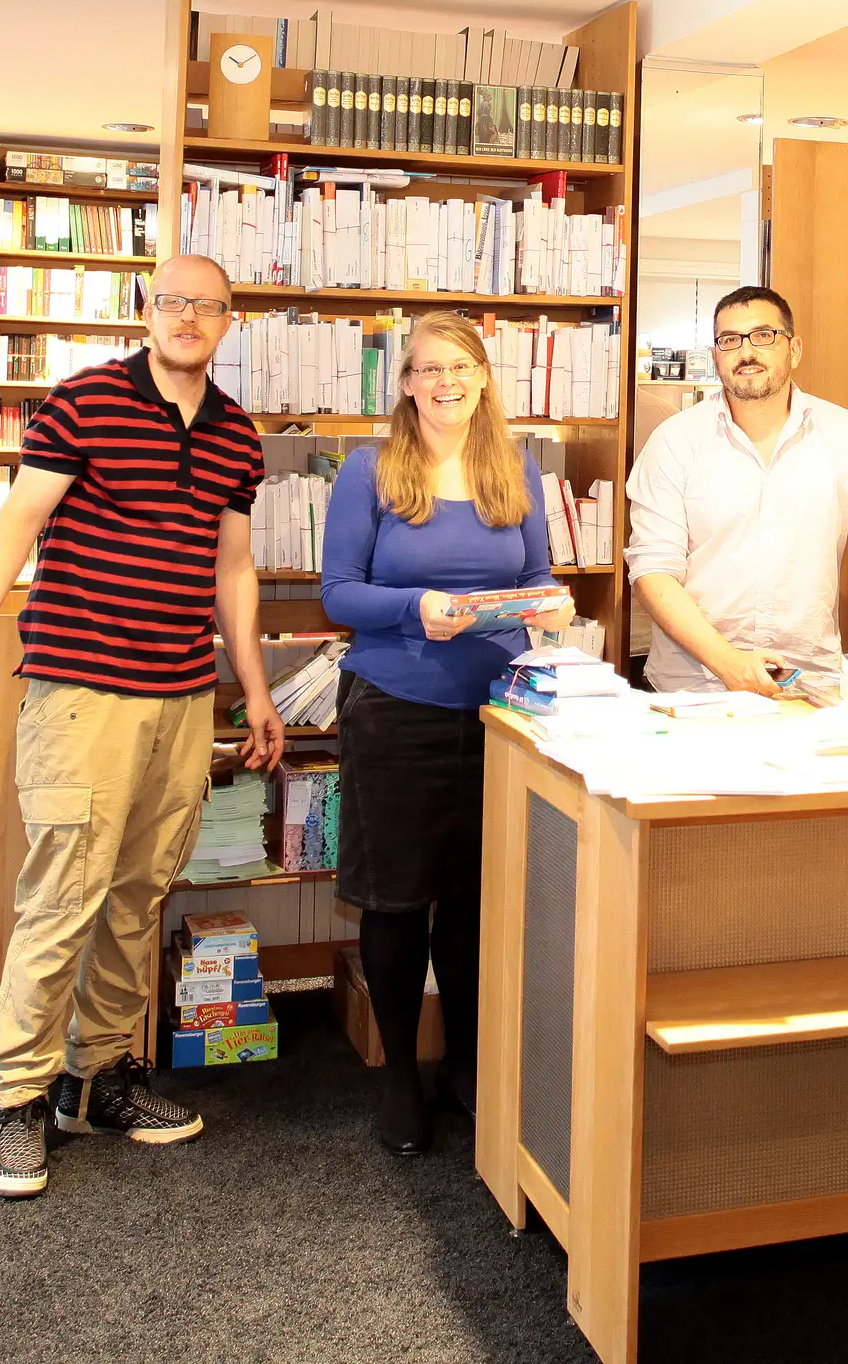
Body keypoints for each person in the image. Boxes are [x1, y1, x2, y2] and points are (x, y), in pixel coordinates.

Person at [0, 254, 285, 1200]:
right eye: (173, 302)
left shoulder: (235, 434)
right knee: (63, 893)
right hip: (83, 686)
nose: (188, 317)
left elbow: (233, 569)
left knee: (139, 893)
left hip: (182, 694)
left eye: (207, 306)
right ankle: (12, 1097)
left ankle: (96, 1077)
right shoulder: (84, 399)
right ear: (147, 310)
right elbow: (17, 521)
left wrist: (253, 687)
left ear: (229, 321)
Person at [320, 311, 573, 1156]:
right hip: (396, 706)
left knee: (474, 900)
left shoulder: (516, 468)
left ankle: (464, 1063)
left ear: (483, 377)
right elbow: (338, 594)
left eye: (460, 366)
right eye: (428, 369)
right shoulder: (371, 470)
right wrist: (412, 608)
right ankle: (399, 1073)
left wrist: (551, 599)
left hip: (501, 713)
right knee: (398, 901)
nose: (445, 381)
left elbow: (534, 571)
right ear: (405, 383)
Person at [626, 285, 848, 694]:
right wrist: (728, 663)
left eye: (763, 336)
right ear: (715, 357)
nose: (747, 352)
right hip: (695, 687)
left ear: (794, 349)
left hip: (809, 684)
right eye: (729, 341)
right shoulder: (675, 441)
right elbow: (652, 570)